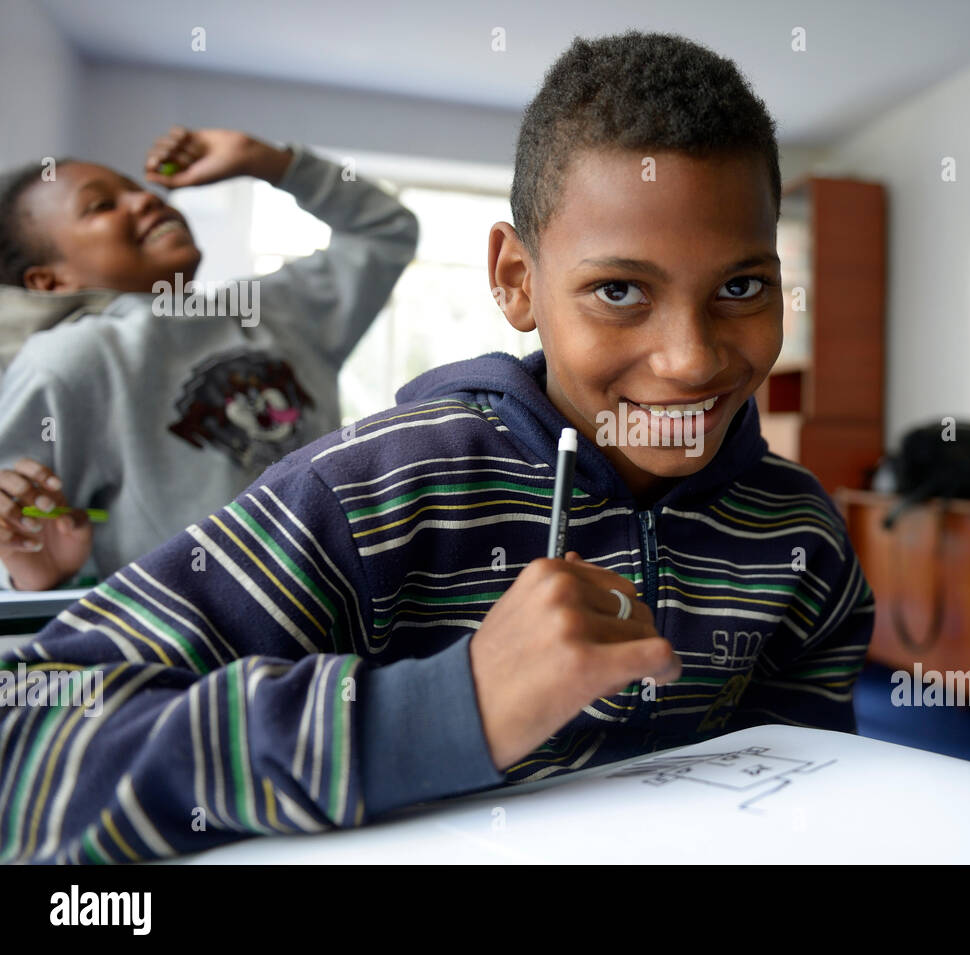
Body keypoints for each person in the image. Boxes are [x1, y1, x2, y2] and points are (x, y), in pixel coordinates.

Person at [0, 31, 875, 863]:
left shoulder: (805, 535)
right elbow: (27, 743)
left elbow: (806, 785)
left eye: (742, 286)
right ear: (515, 281)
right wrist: (447, 708)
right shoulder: (367, 493)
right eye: (618, 288)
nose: (691, 360)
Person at [0, 127, 418, 590]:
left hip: (346, 629)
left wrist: (266, 161)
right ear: (49, 281)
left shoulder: (275, 310)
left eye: (140, 190)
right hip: (191, 652)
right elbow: (22, 546)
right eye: (102, 206)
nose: (145, 202)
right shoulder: (71, 361)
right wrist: (36, 574)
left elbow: (386, 232)